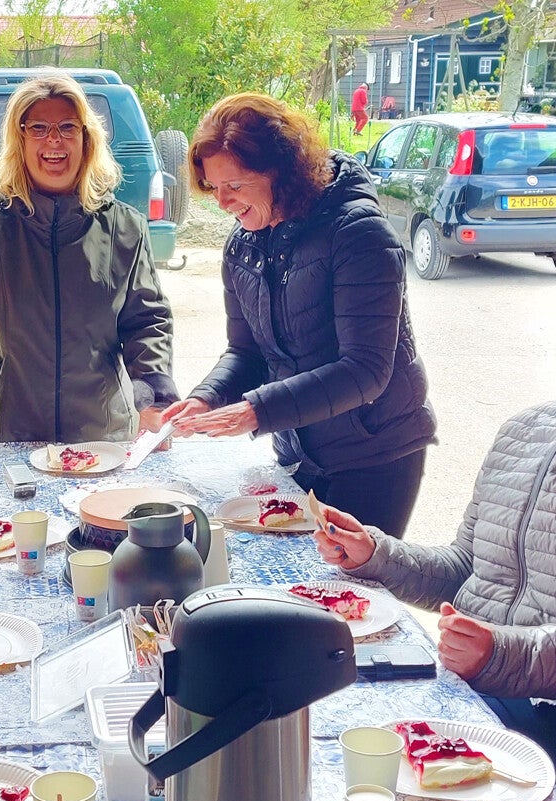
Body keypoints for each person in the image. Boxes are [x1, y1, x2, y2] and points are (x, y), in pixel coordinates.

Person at [314, 233, 556, 768]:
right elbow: (463, 569)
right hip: (459, 680)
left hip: (555, 714)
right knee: (313, 705)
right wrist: (374, 553)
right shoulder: (524, 429)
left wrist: (499, 654)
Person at [162, 93, 435, 535]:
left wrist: (256, 411)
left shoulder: (359, 233)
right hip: (298, 449)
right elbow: (246, 353)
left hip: (373, 455)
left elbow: (366, 370)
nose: (223, 202)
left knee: (347, 592)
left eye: (234, 186)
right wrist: (206, 397)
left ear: (281, 172)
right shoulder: (243, 244)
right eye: (214, 188)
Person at [0, 71, 175, 463]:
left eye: (67, 128)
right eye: (38, 128)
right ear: (19, 139)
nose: (54, 141)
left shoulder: (124, 228)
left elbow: (147, 322)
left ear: (86, 139)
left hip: (102, 438)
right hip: (3, 434)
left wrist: (154, 403)